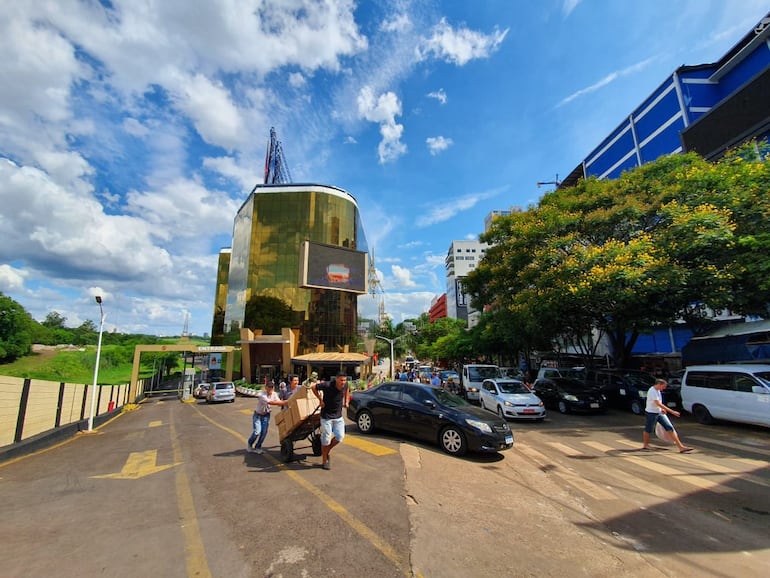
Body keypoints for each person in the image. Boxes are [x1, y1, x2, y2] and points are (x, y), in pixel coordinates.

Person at [642, 378, 693, 453]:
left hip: (659, 412)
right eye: (663, 386)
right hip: (651, 413)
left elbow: (658, 403)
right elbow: (658, 403)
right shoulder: (652, 391)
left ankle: (681, 447)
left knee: (669, 427)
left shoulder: (658, 390)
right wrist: (672, 411)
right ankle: (645, 445)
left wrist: (661, 409)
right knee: (648, 429)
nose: (664, 388)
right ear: (659, 384)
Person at [311, 371, 348, 470]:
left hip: (338, 417)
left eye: (344, 380)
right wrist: (320, 400)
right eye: (341, 380)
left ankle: (326, 451)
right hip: (326, 417)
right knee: (326, 440)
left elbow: (348, 390)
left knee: (340, 436)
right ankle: (324, 460)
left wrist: (346, 401)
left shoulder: (345, 385)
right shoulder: (327, 385)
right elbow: (313, 387)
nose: (343, 382)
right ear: (336, 379)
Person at [247, 382, 285, 454]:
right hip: (258, 415)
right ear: (266, 387)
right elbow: (270, 402)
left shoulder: (274, 394)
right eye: (269, 387)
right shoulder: (262, 395)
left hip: (266, 415)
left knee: (264, 432)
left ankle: (258, 447)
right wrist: (285, 402)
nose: (270, 389)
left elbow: (278, 402)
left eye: (272, 387)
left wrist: (285, 402)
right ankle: (250, 444)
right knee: (257, 431)